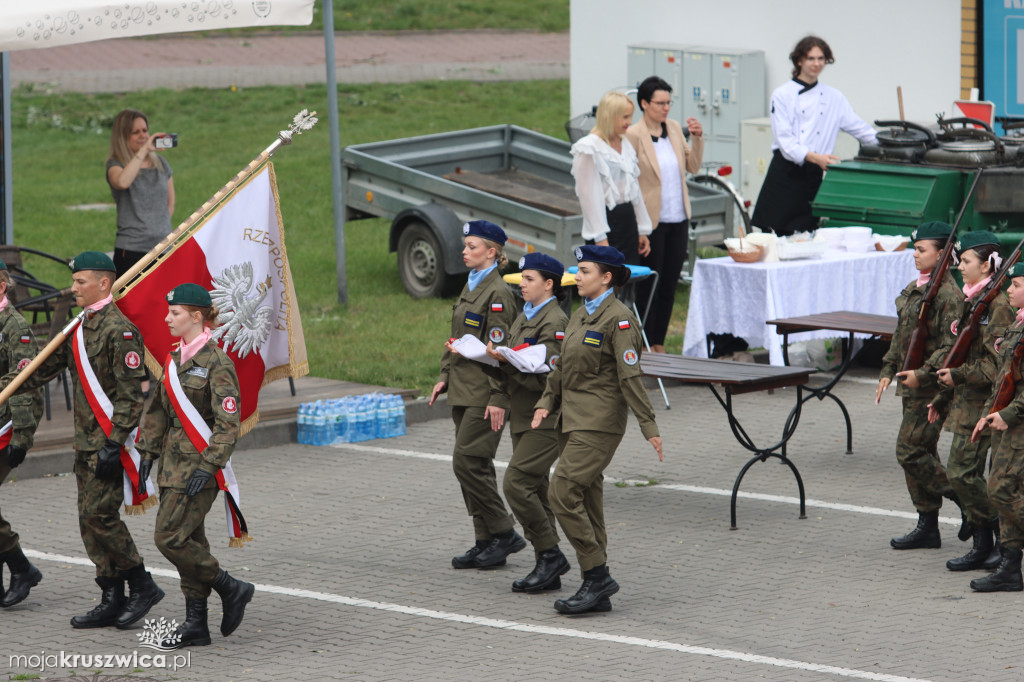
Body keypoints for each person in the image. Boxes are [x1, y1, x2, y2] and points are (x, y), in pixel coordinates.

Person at [1, 251, 163, 629]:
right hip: (85, 444)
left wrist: (113, 443)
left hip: (109, 443)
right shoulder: (79, 326)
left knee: (100, 517)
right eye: (74, 282)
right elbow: (44, 368)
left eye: (80, 282)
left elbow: (130, 396)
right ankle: (111, 594)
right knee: (87, 522)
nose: (73, 288)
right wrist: (15, 381)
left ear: (103, 283)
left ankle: (142, 584)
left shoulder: (119, 331)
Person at [533, 245, 663, 614]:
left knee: (561, 491)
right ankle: (597, 590)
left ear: (606, 278)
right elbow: (560, 367)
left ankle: (596, 574)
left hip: (600, 423)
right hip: (571, 419)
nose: (577, 277)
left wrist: (648, 425)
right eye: (577, 270)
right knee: (586, 498)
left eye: (585, 271)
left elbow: (631, 376)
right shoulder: (579, 315)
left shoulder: (619, 320)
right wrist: (546, 402)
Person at [136, 284, 254, 646]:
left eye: (175, 313)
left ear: (198, 317)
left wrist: (210, 465)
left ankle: (230, 586)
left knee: (168, 537)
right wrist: (147, 451)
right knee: (191, 539)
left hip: (200, 468)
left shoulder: (217, 364)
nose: (167, 318)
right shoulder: (176, 358)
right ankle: (196, 624)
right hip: (172, 466)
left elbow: (227, 424)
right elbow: (157, 410)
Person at [430, 220, 525, 569]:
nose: (464, 251)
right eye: (465, 245)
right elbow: (456, 338)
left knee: (465, 462)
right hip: (462, 388)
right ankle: (485, 540)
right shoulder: (471, 285)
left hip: (486, 392)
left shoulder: (498, 293)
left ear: (492, 252)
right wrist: (443, 376)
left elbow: (502, 353)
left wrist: (499, 398)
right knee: (477, 466)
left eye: (472, 246)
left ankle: (504, 532)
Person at [484, 253, 571, 594]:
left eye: (530, 278)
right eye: (522, 277)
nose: (522, 284)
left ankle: (551, 554)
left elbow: (549, 378)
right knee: (535, 489)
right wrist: (493, 359)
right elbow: (516, 362)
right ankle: (546, 566)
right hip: (523, 415)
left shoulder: (555, 322)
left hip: (544, 417)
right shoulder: (525, 316)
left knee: (516, 484)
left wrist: (506, 360)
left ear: (549, 285)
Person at [876, 222, 964, 550]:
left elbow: (949, 348)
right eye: (915, 249)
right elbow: (902, 335)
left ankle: (970, 502)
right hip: (910, 384)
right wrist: (888, 368)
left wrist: (923, 375)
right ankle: (927, 525)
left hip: (932, 389)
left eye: (921, 249)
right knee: (922, 452)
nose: (915, 254)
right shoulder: (919, 287)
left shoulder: (948, 296)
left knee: (909, 451)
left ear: (942, 255)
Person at [927, 232, 1012, 572]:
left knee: (963, 473)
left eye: (966, 262)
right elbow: (957, 353)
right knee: (963, 474)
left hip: (984, 404)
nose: (959, 267)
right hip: (964, 403)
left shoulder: (999, 308)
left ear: (988, 264)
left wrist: (958, 378)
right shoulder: (970, 299)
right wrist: (940, 396)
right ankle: (983, 541)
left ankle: (998, 534)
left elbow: (995, 365)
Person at [751, 36, 878, 236]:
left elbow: (861, 130)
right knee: (776, 236)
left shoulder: (834, 97)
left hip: (813, 176)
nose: (817, 63)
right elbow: (786, 143)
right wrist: (816, 157)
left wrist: (893, 142)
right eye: (811, 58)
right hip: (785, 174)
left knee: (807, 236)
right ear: (799, 60)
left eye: (821, 58)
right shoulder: (782, 95)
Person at [626, 76, 704, 353]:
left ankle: (658, 341)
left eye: (669, 103)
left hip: (678, 217)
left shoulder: (672, 128)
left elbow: (692, 166)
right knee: (650, 286)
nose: (666, 108)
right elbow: (631, 181)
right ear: (645, 104)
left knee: (670, 283)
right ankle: (643, 343)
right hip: (651, 222)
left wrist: (696, 139)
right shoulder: (634, 135)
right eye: (660, 103)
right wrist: (640, 228)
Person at [969, 263, 1024, 592]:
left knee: (1001, 491)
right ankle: (1010, 567)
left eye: (1016, 284)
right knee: (1010, 493)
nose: (1009, 291)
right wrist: (990, 413)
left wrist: (1009, 414)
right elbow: (1005, 380)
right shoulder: (1019, 325)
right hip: (1009, 423)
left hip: (1019, 424)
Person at [0, 259, 44, 608]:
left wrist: (21, 438)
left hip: (5, 424)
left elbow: (23, 384)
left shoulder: (14, 326)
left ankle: (20, 567)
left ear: (2, 285)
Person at [571, 91, 653, 265]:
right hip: (606, 224)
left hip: (627, 221)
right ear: (609, 116)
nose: (629, 122)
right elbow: (588, 196)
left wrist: (642, 229)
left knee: (629, 279)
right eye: (625, 117)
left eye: (630, 116)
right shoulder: (589, 148)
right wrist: (600, 238)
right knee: (607, 284)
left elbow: (634, 189)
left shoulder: (625, 143)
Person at [106, 109, 176, 278]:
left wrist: (160, 229)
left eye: (145, 130)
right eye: (135, 132)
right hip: (131, 249)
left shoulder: (161, 163)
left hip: (162, 247)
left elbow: (170, 202)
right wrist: (143, 151)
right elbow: (122, 182)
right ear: (123, 136)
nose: (143, 136)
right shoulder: (115, 165)